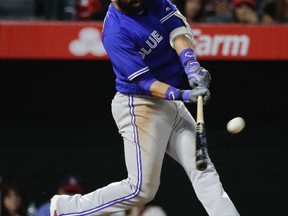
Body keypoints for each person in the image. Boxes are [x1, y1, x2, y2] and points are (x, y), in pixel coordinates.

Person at [50, 0, 240, 215]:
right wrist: (183, 94)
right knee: (141, 190)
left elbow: (176, 29)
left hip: (169, 102)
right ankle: (66, 208)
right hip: (140, 105)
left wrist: (192, 67)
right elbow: (145, 83)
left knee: (203, 169)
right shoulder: (115, 32)